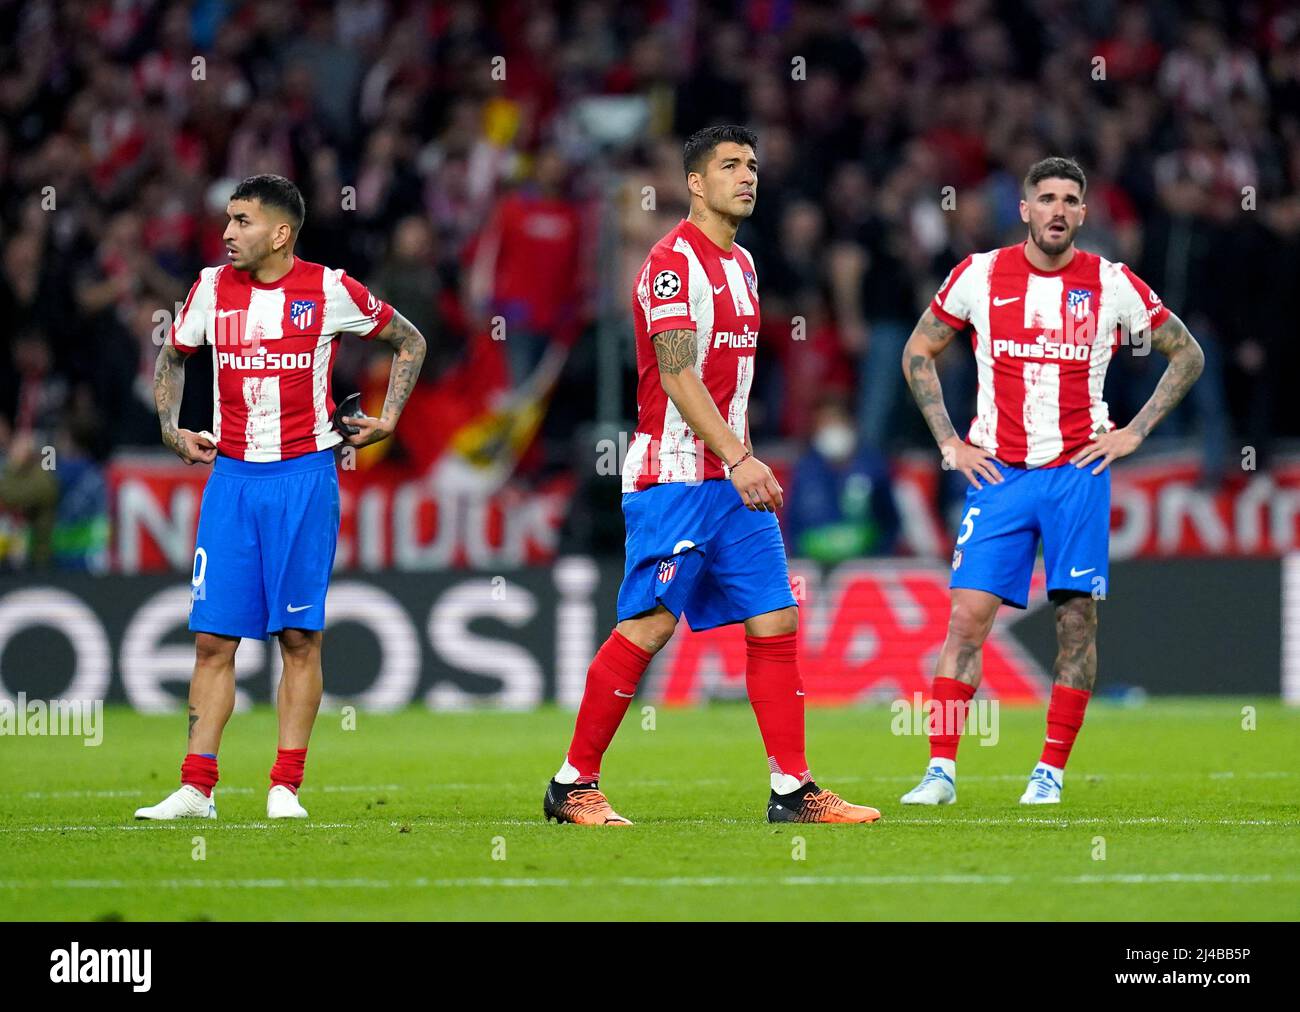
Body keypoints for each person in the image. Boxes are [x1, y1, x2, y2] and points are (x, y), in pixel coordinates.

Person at [542, 126, 880, 826]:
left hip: (730, 479)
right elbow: (675, 373)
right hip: (676, 477)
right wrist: (740, 455)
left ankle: (792, 790)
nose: (747, 176)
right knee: (650, 625)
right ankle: (571, 784)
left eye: (752, 165)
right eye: (730, 166)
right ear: (695, 183)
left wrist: (737, 459)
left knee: (774, 617)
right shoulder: (670, 265)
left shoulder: (746, 264)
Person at [898, 157, 1203, 806]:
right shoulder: (979, 275)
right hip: (999, 474)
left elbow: (1187, 353)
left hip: (1076, 475)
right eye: (1047, 198)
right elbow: (917, 350)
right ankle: (941, 771)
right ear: (1027, 210)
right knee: (965, 622)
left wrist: (1135, 432)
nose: (1059, 210)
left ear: (1084, 214)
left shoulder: (1111, 283)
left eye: (1071, 199)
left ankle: (1050, 772)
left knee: (1075, 625)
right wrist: (950, 442)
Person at [135, 174, 426, 821]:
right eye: (228, 221)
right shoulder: (211, 289)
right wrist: (169, 428)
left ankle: (284, 787)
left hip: (303, 478)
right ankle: (195, 789)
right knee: (213, 642)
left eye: (241, 221)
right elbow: (174, 355)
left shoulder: (329, 289)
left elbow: (410, 340)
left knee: (298, 637)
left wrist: (390, 416)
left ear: (280, 232)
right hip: (233, 480)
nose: (227, 233)